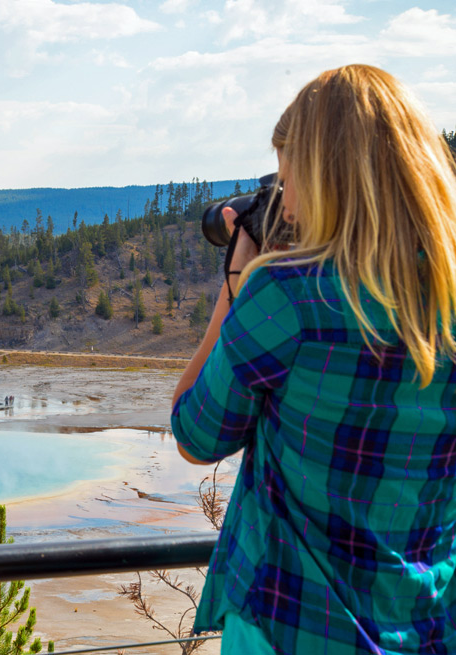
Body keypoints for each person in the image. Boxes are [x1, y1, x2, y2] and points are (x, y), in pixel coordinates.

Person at [172, 64, 456, 653]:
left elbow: (195, 434)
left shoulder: (290, 295)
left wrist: (239, 284)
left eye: (289, 177)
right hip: (428, 625)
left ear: (326, 176)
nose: (289, 205)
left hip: (294, 626)